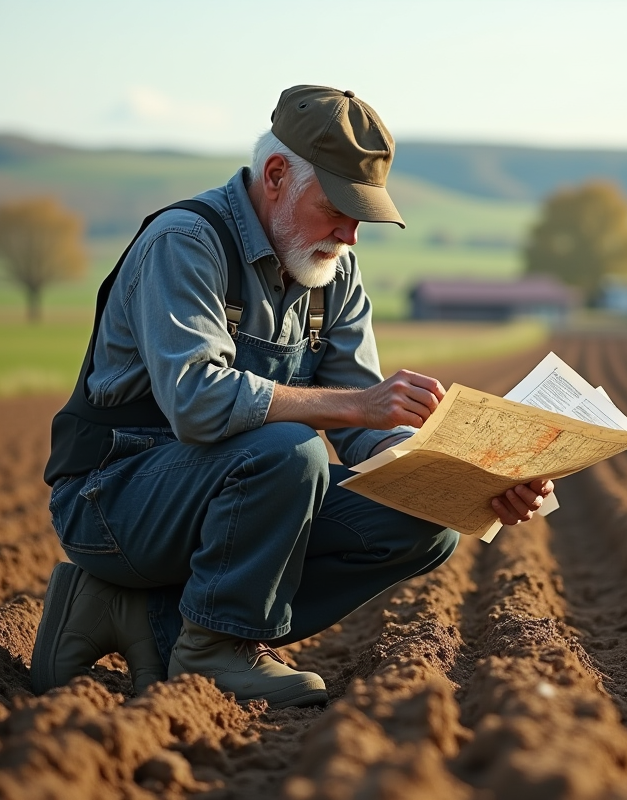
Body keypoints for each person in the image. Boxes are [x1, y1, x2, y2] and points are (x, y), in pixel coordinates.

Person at [32, 85, 554, 708]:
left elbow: (367, 426)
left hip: (221, 495)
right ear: (276, 174)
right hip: (115, 500)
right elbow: (198, 401)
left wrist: (469, 481)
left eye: (363, 215)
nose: (351, 234)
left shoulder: (332, 273)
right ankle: (212, 652)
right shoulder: (187, 242)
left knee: (423, 521)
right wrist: (357, 406)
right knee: (289, 450)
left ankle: (146, 620)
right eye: (337, 206)